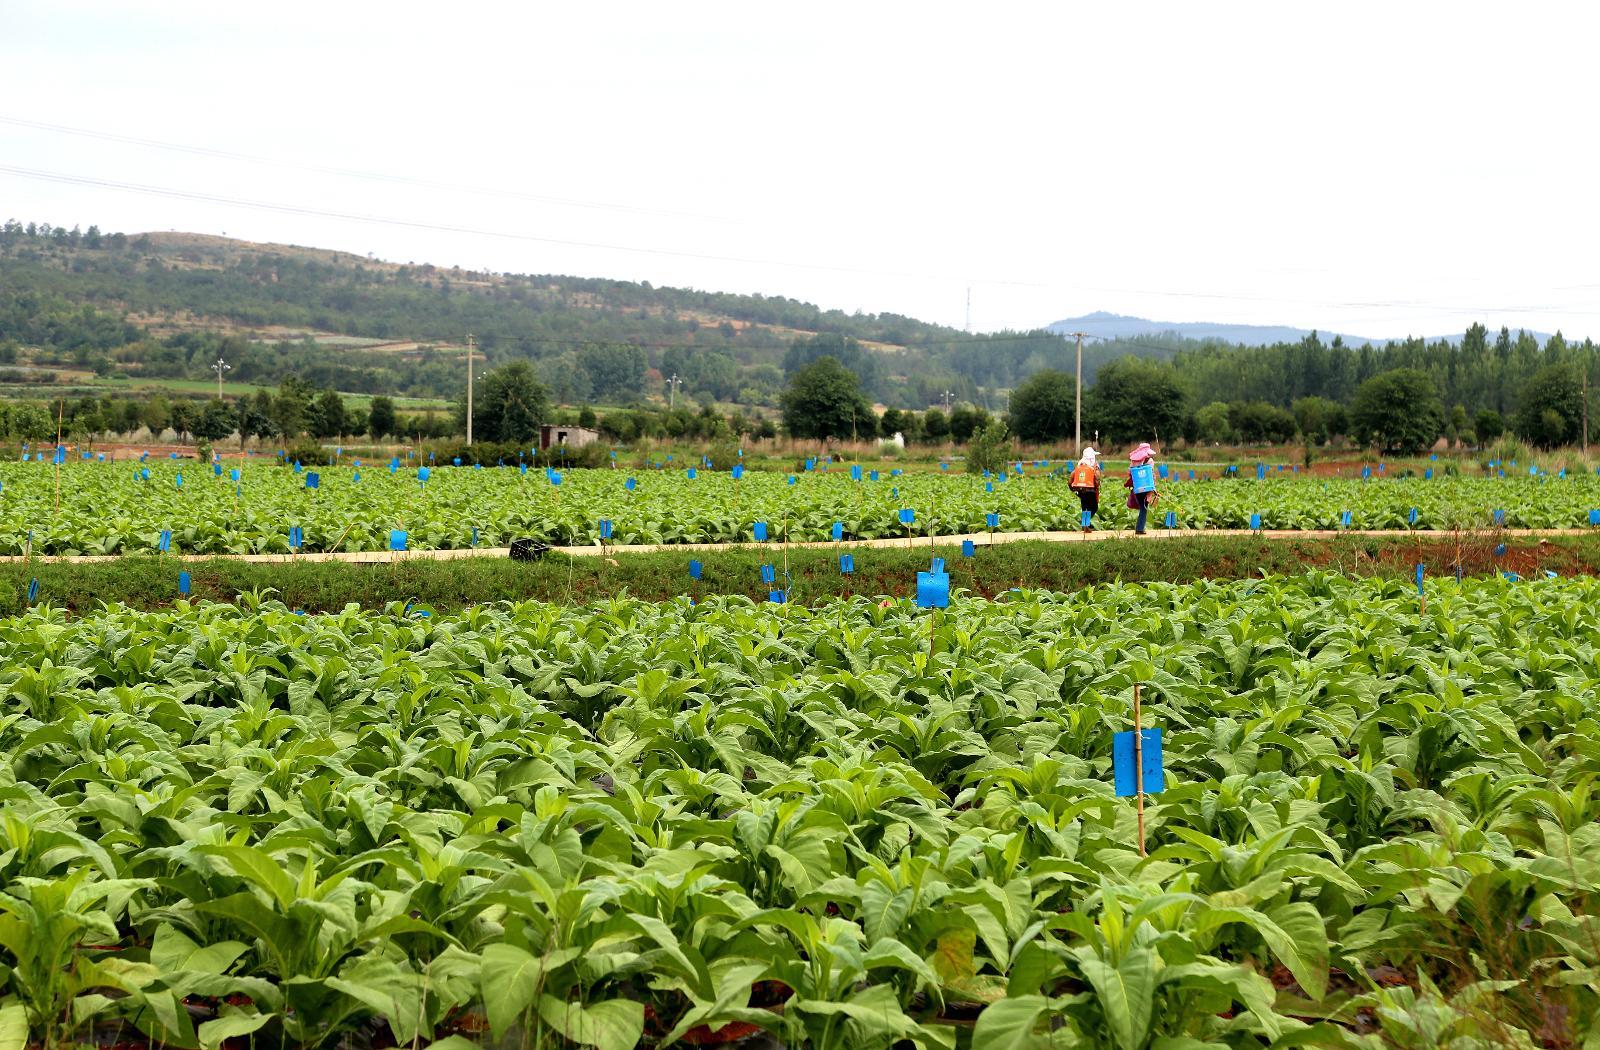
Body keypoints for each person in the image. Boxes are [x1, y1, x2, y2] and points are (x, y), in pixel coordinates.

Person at [1124, 442, 1159, 535]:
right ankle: (1139, 529)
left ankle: (1139, 528)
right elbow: (1151, 476)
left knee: (1142, 506)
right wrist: (1154, 489)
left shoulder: (1133, 461)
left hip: (1137, 487)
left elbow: (1130, 473)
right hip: (1147, 488)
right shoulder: (1150, 461)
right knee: (1144, 508)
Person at [1068, 446, 1101, 532]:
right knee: (1094, 507)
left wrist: (1072, 488)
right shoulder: (1094, 466)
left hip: (1081, 490)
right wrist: (1097, 486)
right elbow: (1097, 478)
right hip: (1091, 490)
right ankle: (1085, 524)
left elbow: (1071, 478)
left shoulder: (1080, 466)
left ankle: (1085, 525)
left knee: (1084, 507)